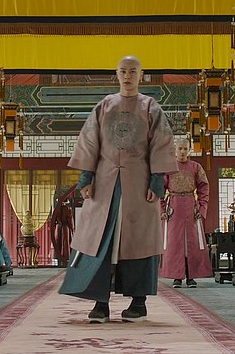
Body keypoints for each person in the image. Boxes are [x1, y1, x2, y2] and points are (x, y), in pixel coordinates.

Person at [59, 55, 177, 323]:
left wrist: (157, 180)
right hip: (105, 181)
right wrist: (85, 177)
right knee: (101, 239)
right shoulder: (105, 105)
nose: (127, 76)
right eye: (123, 71)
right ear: (117, 74)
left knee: (138, 241)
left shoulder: (151, 107)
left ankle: (138, 303)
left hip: (139, 182)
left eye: (133, 71)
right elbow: (90, 141)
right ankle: (100, 303)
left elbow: (161, 143)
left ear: (141, 75)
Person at [160, 138, 211, 289]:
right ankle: (176, 276)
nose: (182, 151)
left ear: (189, 150)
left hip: (190, 206)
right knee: (174, 242)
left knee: (192, 242)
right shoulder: (168, 167)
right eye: (180, 148)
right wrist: (162, 210)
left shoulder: (196, 167)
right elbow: (160, 189)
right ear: (175, 150)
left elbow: (204, 188)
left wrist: (201, 208)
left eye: (185, 148)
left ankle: (191, 276)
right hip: (173, 207)